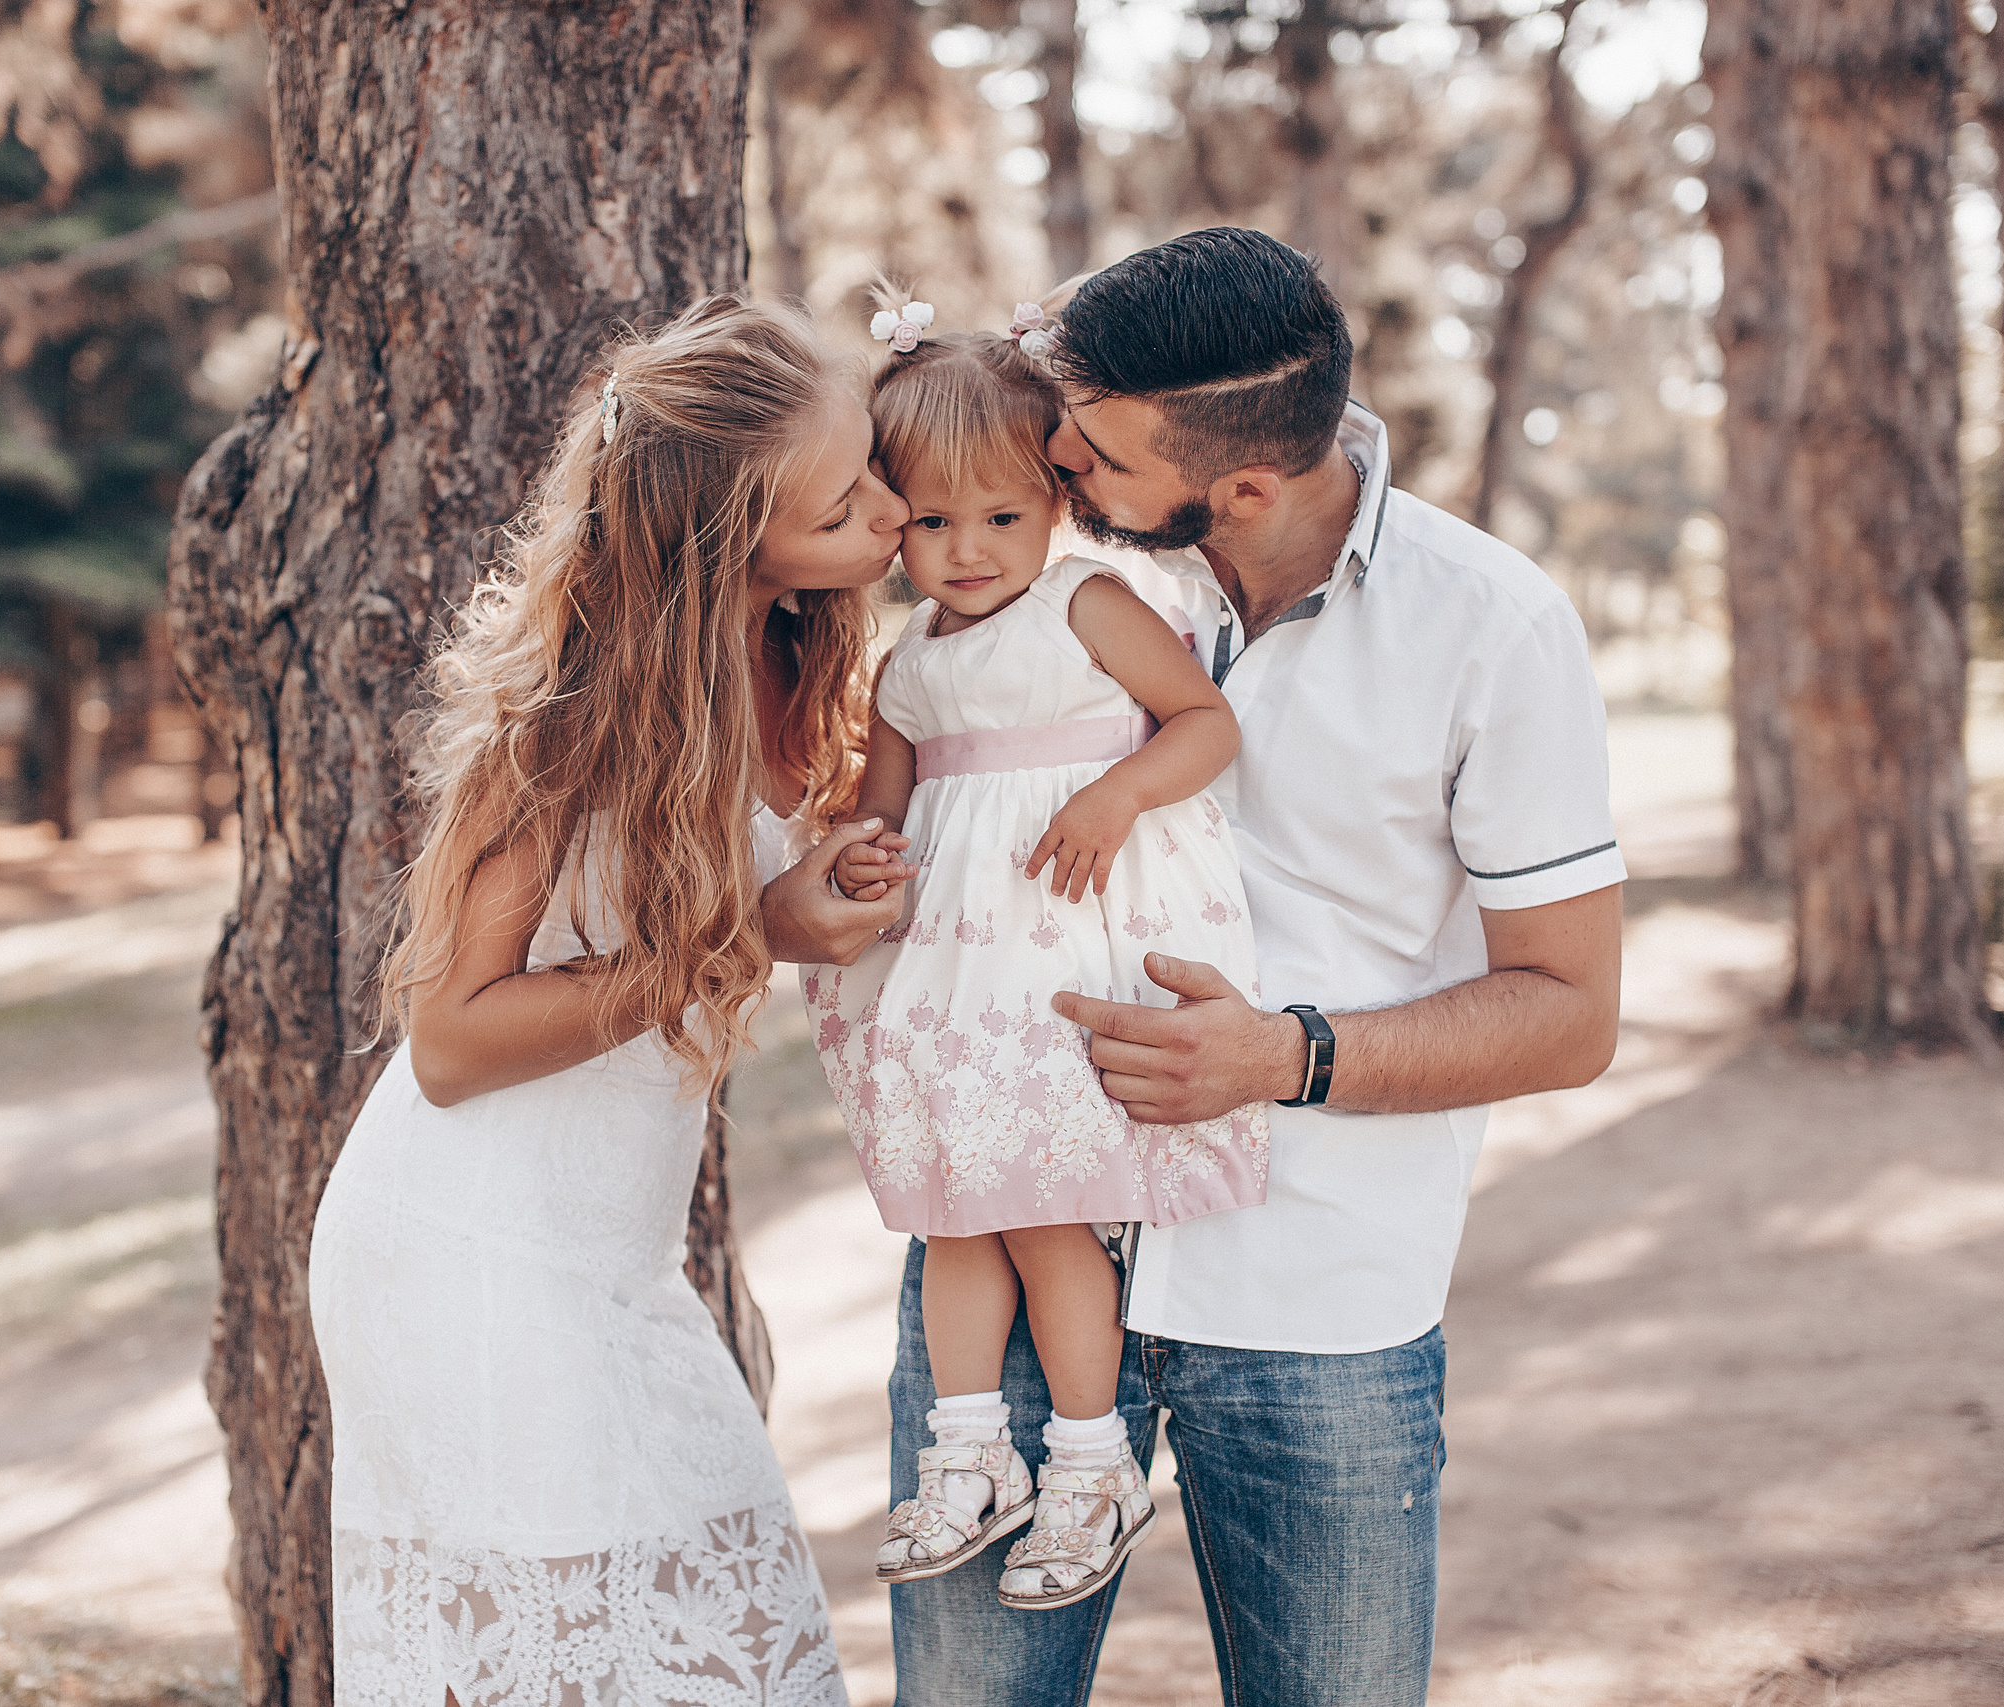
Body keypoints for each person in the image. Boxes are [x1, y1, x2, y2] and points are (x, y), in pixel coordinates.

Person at [884, 227, 1627, 1706]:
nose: (1057, 468)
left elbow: (1571, 1013)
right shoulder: (1027, 556)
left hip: (1317, 1312)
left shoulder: (1492, 628)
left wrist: (1289, 1055)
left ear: (1244, 488)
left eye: (1088, 453)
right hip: (1016, 1256)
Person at [307, 296, 916, 1707]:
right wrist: (753, 933)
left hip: (610, 1266)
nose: (888, 516)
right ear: (727, 546)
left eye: (874, 469)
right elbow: (453, 1041)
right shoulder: (569, 730)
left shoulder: (783, 654)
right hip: (469, 1252)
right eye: (845, 507)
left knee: (718, 1651)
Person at [806, 301, 1272, 1610]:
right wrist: (859, 860)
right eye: (934, 521)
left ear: (1051, 505)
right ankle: (966, 1455)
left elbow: (1204, 724)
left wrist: (1118, 795)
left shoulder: (1086, 601)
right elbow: (881, 814)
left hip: (1062, 963)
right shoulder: (908, 662)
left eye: (1001, 516)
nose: (968, 551)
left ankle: (1091, 1462)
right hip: (951, 982)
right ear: (893, 516)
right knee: (961, 1213)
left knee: (1052, 1214)